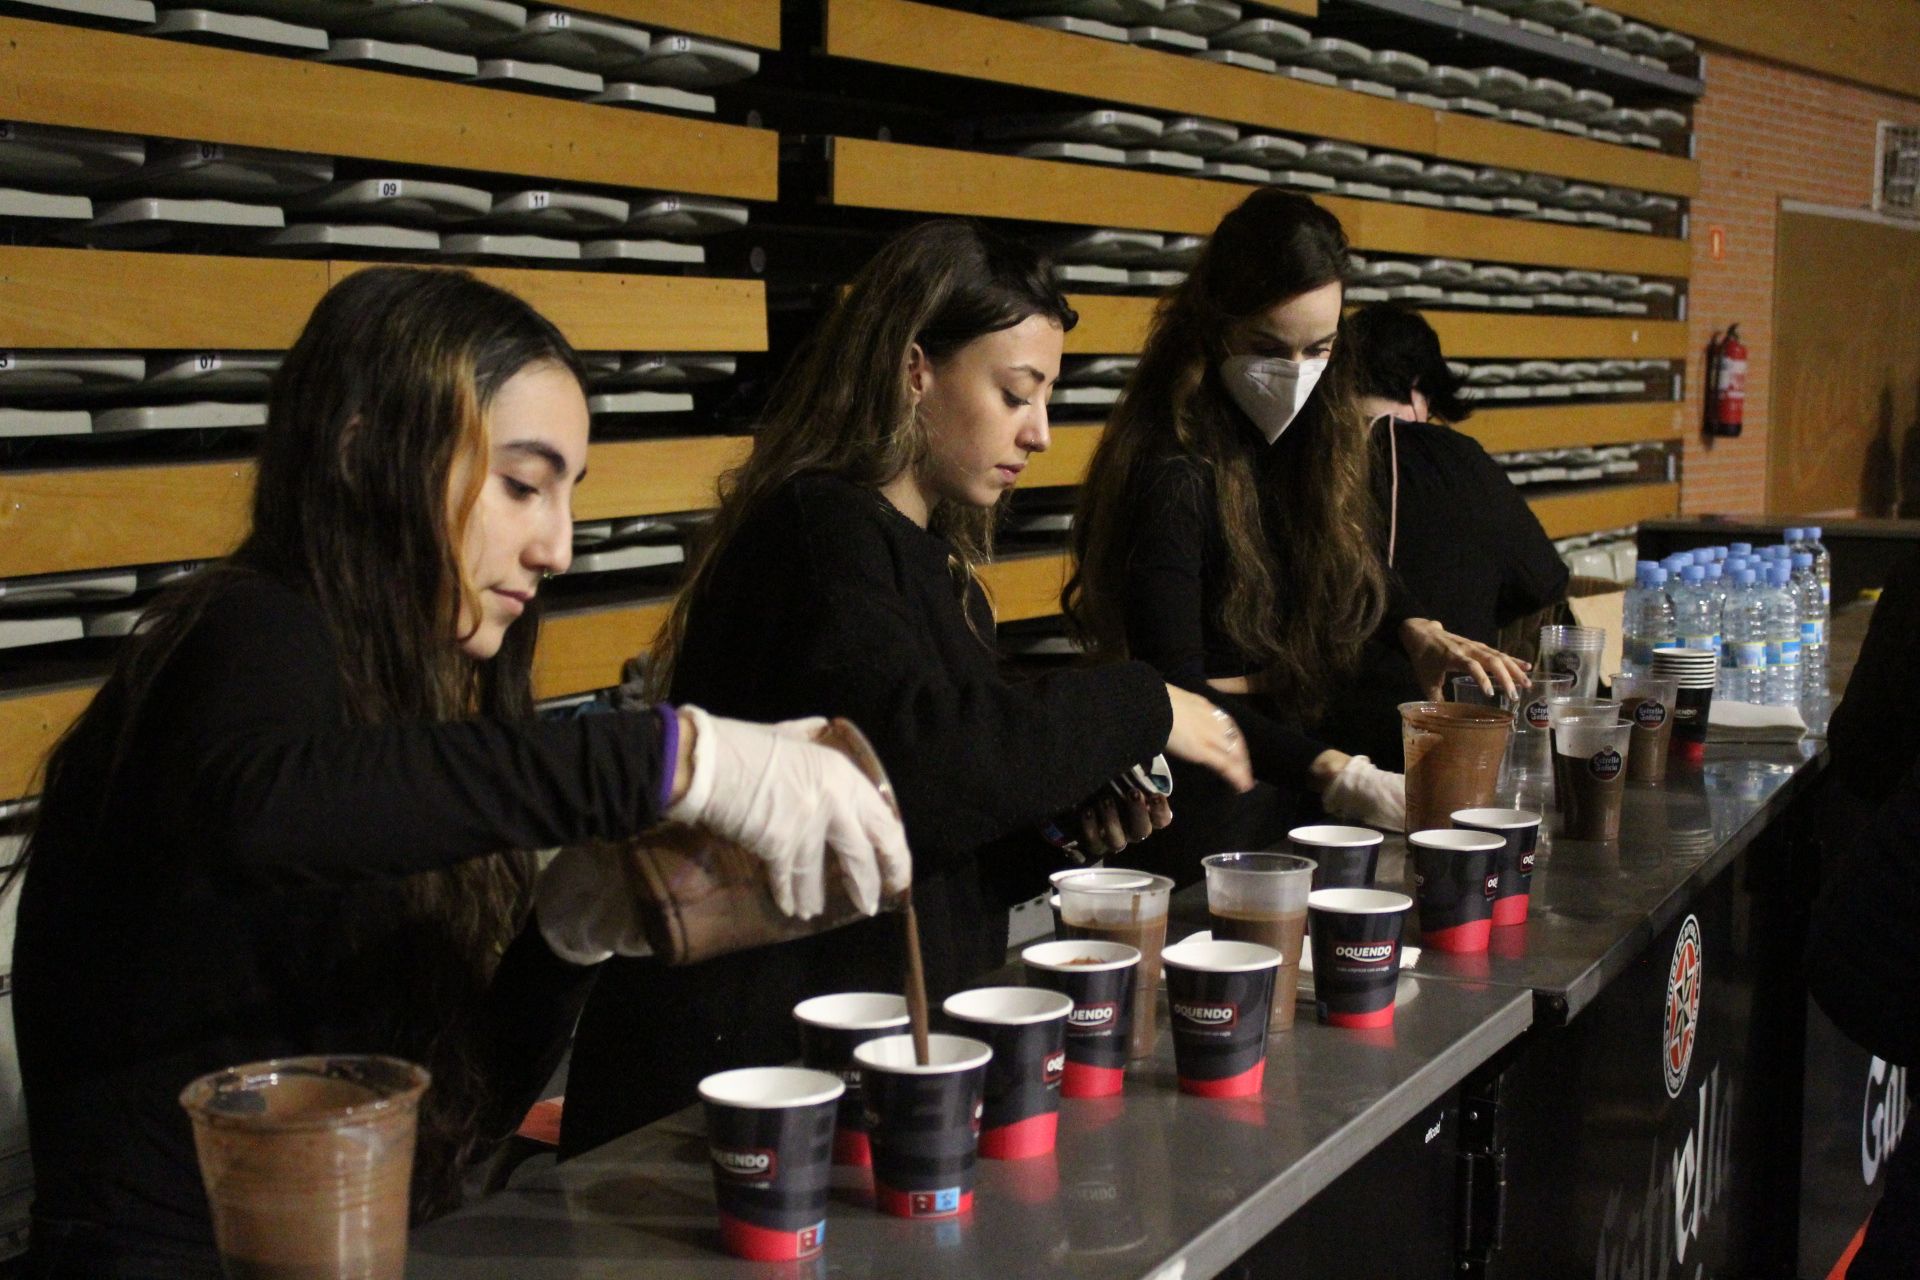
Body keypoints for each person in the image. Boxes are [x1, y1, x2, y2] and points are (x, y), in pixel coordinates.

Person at [12, 267, 909, 1279]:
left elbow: (447, 1117)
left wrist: (562, 940)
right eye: (523, 484)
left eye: (569, 495)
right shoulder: (246, 631)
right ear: (364, 452)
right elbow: (262, 808)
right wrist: (673, 756)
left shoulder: (391, 716)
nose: (559, 545)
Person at [559, 220, 1253, 1154]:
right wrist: (1149, 701)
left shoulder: (923, 561)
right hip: (738, 1089)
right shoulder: (821, 531)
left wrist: (1054, 823)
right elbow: (914, 764)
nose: (1040, 434)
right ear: (916, 367)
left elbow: (906, 843)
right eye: (1016, 393)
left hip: (835, 1066)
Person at [1066, 190, 1529, 879]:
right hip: (1209, 790)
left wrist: (1413, 626)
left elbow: (1346, 553)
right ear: (1216, 327)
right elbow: (1176, 691)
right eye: (1267, 348)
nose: (1294, 373)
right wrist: (1340, 774)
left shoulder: (1316, 430)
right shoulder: (1171, 470)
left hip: (1295, 757)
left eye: (1319, 348)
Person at [1316, 303, 1569, 767]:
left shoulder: (1299, 458)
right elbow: (1544, 583)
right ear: (1419, 390)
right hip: (1446, 748)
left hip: (1310, 756)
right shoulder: (1463, 460)